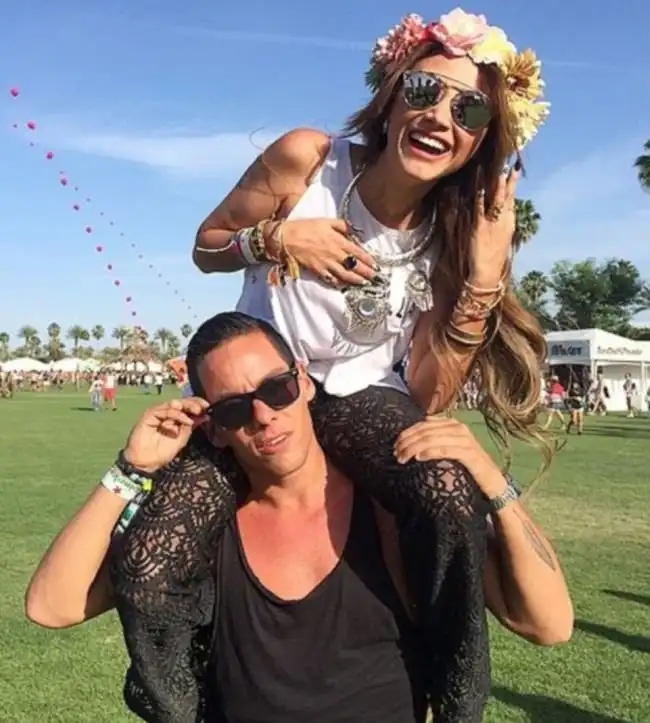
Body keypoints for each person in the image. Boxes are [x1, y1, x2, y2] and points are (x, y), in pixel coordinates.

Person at [110, 7, 552, 720]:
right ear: (391, 95)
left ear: (481, 140)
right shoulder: (309, 160)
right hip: (259, 388)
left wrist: (481, 280)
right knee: (147, 560)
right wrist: (277, 239)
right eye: (424, 90)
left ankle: (454, 699)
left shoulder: (454, 234)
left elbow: (429, 394)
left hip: (362, 398)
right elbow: (205, 245)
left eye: (468, 109)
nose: (440, 115)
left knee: (446, 492)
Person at [25, 312, 573, 723]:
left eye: (276, 389)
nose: (264, 416)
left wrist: (492, 482)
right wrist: (131, 469)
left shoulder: (388, 510)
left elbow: (548, 624)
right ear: (214, 427)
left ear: (305, 382)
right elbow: (52, 605)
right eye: (235, 408)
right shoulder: (203, 531)